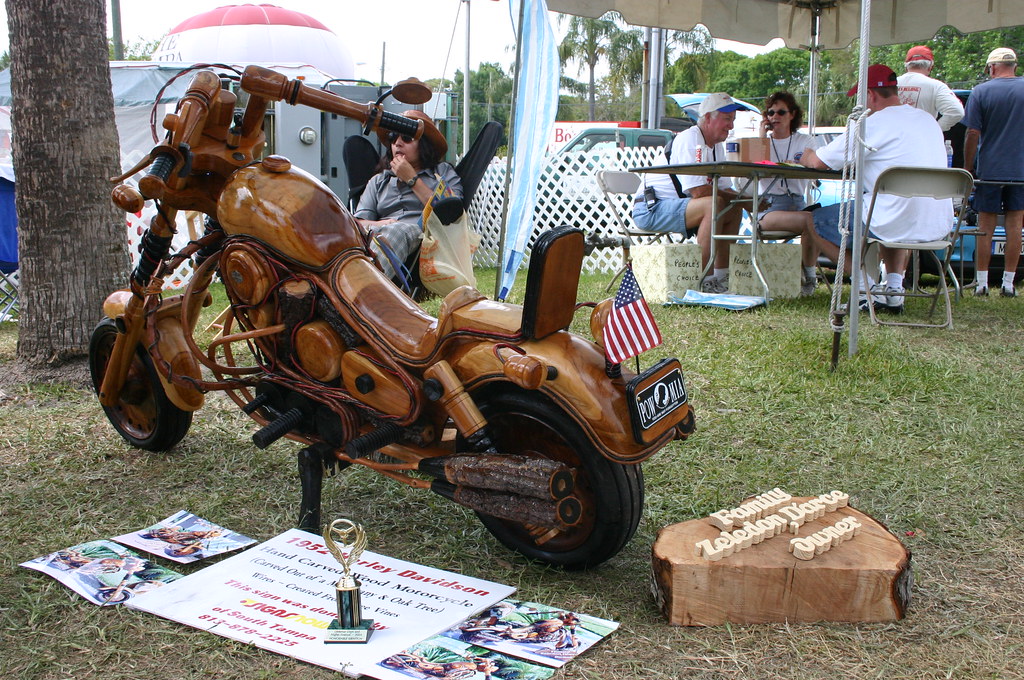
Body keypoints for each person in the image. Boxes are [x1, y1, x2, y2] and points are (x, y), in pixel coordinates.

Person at [801, 63, 953, 313]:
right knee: (889, 208)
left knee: (813, 220)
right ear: (895, 90)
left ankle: (865, 288)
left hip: (892, 217)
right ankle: (894, 290)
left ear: (870, 95)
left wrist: (804, 154)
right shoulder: (928, 120)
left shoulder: (871, 124)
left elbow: (819, 161)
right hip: (937, 222)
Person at [631, 93, 745, 293]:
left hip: (677, 207)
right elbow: (699, 191)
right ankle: (700, 281)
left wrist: (743, 200)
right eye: (727, 119)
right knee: (714, 203)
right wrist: (741, 199)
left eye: (733, 120)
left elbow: (726, 190)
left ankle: (721, 279)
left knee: (732, 207)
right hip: (650, 208)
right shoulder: (689, 139)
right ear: (708, 118)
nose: (731, 126)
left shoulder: (717, 146)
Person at [354, 110, 461, 282]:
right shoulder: (379, 181)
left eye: (407, 138)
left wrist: (412, 179)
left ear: (424, 144)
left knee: (395, 231)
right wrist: (379, 224)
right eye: (393, 137)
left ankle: (365, 292)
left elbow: (451, 214)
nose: (397, 143)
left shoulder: (442, 172)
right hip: (378, 236)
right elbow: (357, 223)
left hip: (423, 239)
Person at [962, 47, 1024, 297]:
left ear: (992, 67)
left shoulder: (981, 91)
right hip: (1020, 169)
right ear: (1015, 67)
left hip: (990, 169)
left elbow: (973, 132)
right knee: (1015, 226)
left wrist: (967, 166)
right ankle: (1009, 283)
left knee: (985, 225)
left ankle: (982, 282)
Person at [757, 91, 820, 296]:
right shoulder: (763, 142)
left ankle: (809, 276)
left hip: (797, 203)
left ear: (792, 114)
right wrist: (760, 136)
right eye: (771, 112)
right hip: (769, 207)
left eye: (781, 112)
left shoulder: (804, 141)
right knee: (811, 220)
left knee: (814, 220)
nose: (775, 117)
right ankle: (811, 277)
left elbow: (815, 167)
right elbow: (752, 169)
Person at [897, 45, 965, 132]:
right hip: (921, 141)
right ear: (930, 67)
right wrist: (933, 131)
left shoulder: (890, 85)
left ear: (906, 66)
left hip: (891, 142)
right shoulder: (936, 86)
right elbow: (956, 111)